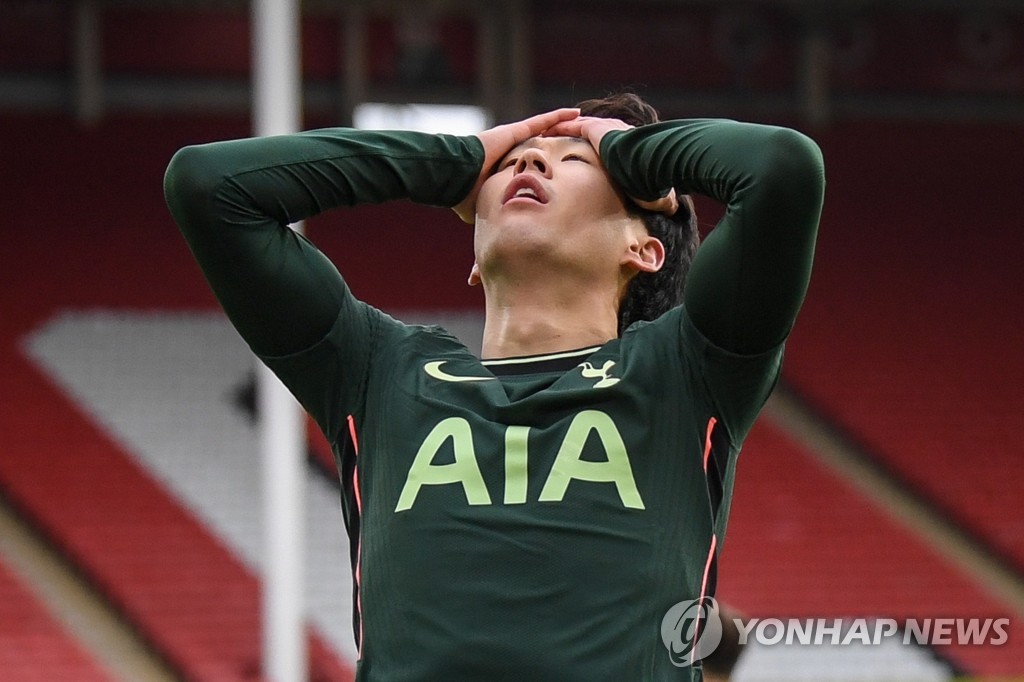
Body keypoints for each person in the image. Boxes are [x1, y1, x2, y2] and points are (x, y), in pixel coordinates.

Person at [164, 92, 824, 681]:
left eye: (576, 161)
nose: (528, 161)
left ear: (644, 248)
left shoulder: (685, 372)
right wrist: (448, 161)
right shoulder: (376, 371)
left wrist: (634, 152)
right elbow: (207, 185)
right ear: (475, 260)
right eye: (508, 163)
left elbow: (781, 168)